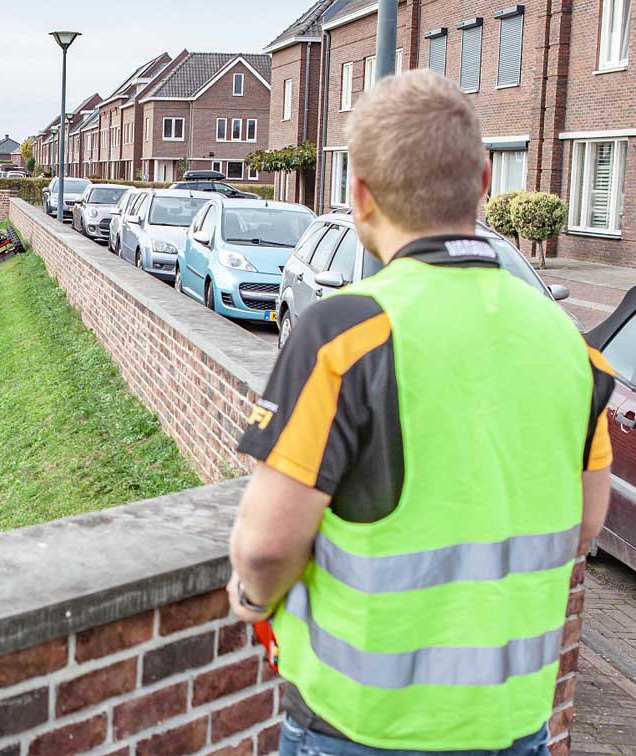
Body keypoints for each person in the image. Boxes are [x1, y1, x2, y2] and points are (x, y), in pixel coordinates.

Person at [227, 69, 614, 756]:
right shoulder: (571, 344)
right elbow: (585, 521)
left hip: (364, 727)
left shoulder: (348, 333)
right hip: (515, 724)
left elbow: (265, 545)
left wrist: (253, 603)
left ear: (360, 196)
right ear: (486, 182)